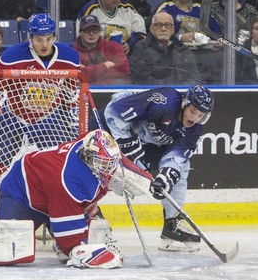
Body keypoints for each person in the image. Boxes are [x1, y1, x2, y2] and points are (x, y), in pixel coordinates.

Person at [0, 13, 80, 220]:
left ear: (55, 36)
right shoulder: (13, 55)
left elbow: (70, 92)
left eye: (48, 38)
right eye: (39, 39)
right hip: (13, 117)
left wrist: (72, 114)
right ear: (30, 38)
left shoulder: (69, 57)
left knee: (60, 172)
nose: (44, 44)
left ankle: (62, 219)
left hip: (49, 120)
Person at [88, 85, 215, 252]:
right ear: (185, 103)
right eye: (193, 111)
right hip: (104, 130)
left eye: (201, 115)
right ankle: (87, 215)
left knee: (182, 167)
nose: (195, 118)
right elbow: (114, 111)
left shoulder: (193, 132)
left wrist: (166, 178)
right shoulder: (164, 101)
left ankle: (172, 225)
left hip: (141, 144)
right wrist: (126, 141)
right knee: (90, 166)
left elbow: (177, 157)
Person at [0, 129, 123, 268]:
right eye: (103, 164)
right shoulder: (68, 181)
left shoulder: (89, 143)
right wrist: (75, 248)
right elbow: (71, 239)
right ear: (89, 157)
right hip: (21, 192)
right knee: (0, 247)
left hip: (53, 188)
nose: (108, 169)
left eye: (109, 163)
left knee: (92, 232)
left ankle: (58, 240)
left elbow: (99, 138)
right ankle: (59, 241)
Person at [129, 12, 201, 85]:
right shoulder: (141, 48)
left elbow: (194, 76)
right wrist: (169, 91)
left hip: (182, 92)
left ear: (172, 29)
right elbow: (143, 79)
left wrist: (184, 90)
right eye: (159, 25)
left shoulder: (182, 48)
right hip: (155, 94)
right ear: (151, 28)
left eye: (167, 25)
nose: (163, 29)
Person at [76, 0, 147, 56]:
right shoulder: (90, 9)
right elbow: (81, 37)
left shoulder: (128, 9)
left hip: (126, 56)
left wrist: (129, 45)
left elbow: (141, 33)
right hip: (98, 56)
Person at [73, 15, 130, 85]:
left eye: (95, 30)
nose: (91, 34)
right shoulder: (71, 51)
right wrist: (105, 66)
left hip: (109, 90)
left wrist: (88, 72)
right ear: (80, 32)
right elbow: (73, 76)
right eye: (87, 30)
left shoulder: (113, 47)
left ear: (100, 32)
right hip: (81, 92)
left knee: (120, 82)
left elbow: (123, 69)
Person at [155, 0, 221, 43]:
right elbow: (157, 33)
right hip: (177, 52)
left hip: (203, 52)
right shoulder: (167, 8)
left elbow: (216, 33)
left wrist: (218, 41)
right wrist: (180, 38)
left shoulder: (200, 8)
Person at [235, 17, 258, 84]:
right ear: (251, 32)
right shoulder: (242, 51)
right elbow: (238, 78)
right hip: (250, 88)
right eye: (256, 29)